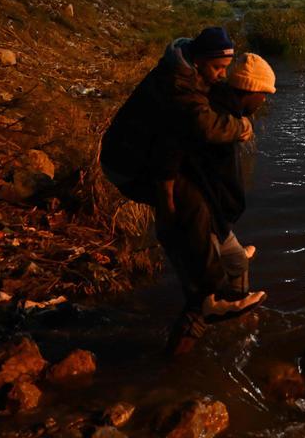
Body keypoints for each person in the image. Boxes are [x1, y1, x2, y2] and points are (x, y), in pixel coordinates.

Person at [100, 27, 261, 347]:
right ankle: (209, 295)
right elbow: (198, 129)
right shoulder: (179, 87)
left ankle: (214, 279)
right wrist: (240, 126)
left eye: (226, 68)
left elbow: (172, 147)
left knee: (193, 207)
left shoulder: (191, 75)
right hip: (126, 165)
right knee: (192, 206)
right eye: (218, 68)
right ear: (199, 60)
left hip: (144, 157)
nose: (222, 75)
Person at [163, 52, 276, 354]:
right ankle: (173, 368)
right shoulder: (216, 119)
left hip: (215, 216)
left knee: (237, 261)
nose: (265, 101)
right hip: (198, 216)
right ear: (251, 91)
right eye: (264, 94)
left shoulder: (225, 112)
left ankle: (236, 331)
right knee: (199, 301)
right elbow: (189, 168)